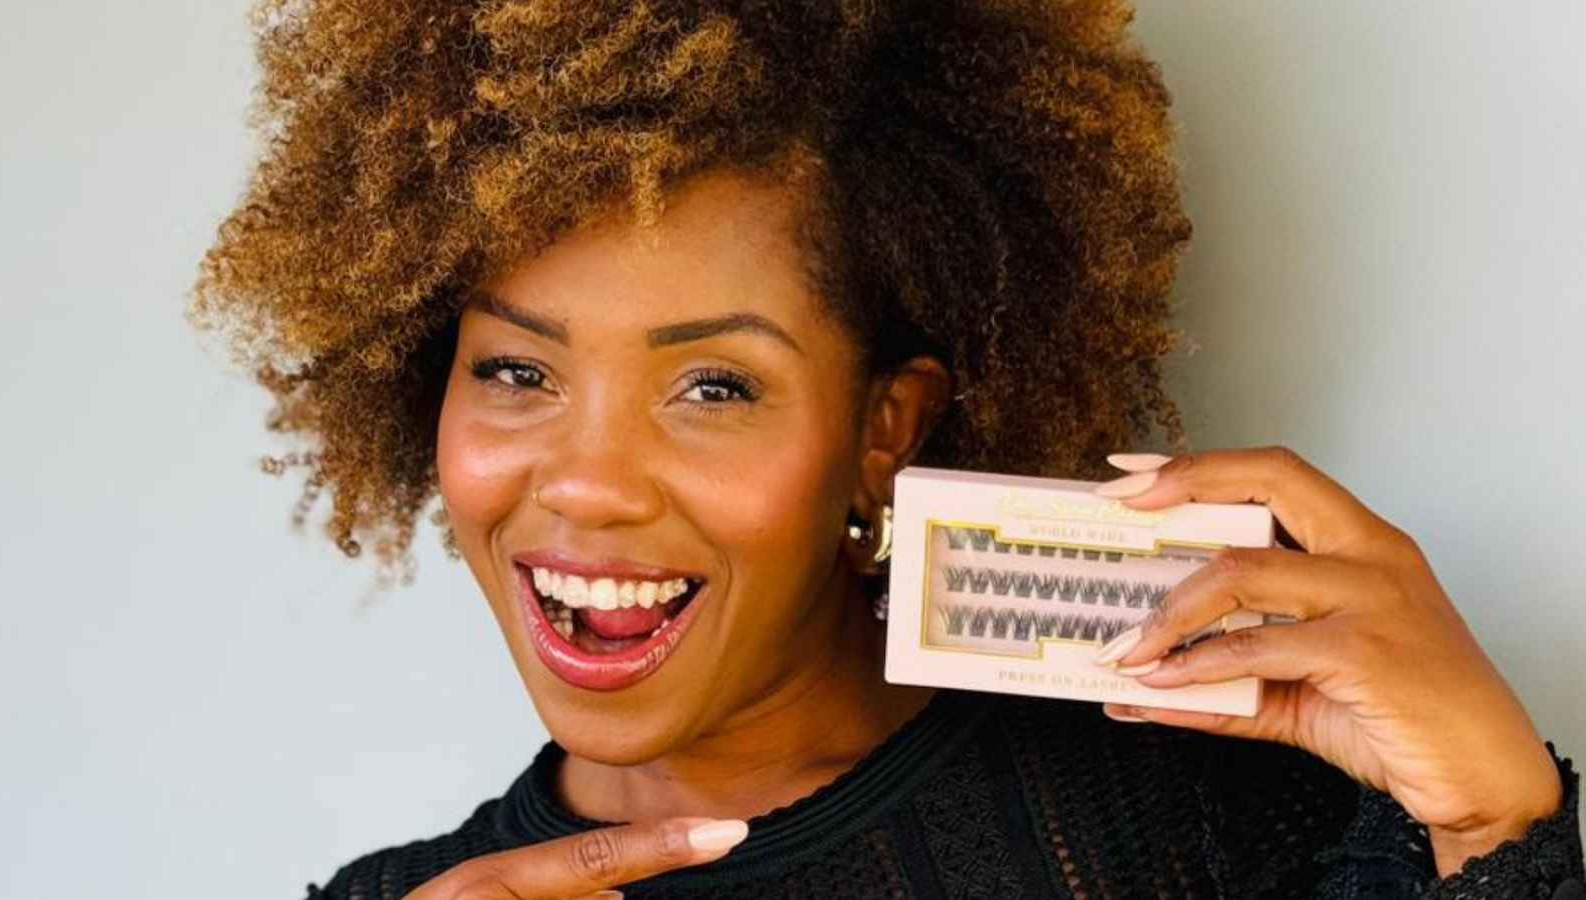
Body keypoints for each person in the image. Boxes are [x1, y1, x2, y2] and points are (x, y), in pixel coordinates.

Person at [190, 0, 1583, 897]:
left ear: (885, 430)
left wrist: (1490, 833)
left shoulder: (1198, 822)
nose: (588, 484)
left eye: (714, 386)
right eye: (514, 371)